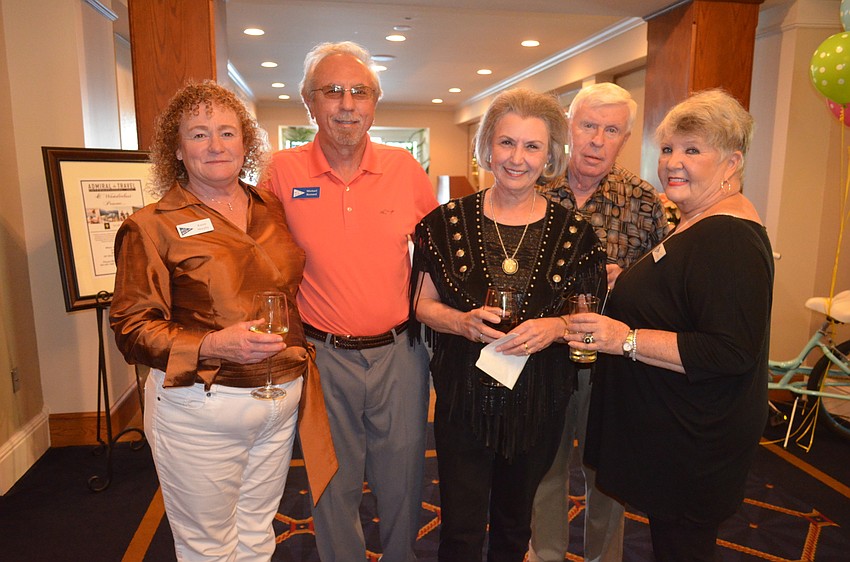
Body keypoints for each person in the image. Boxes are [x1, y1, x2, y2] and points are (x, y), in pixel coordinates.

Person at [110, 81, 336, 561]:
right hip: (202, 406)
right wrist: (212, 345)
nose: (215, 145)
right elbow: (131, 328)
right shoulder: (151, 225)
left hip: (278, 399)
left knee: (256, 533)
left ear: (245, 143)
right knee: (207, 547)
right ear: (176, 149)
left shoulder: (270, 208)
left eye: (227, 133)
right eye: (198, 134)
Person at [566, 88, 773, 561]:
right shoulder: (697, 221)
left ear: (732, 161)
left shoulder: (728, 237)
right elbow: (681, 298)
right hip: (674, 438)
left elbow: (728, 351)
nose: (673, 163)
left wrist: (626, 339)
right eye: (667, 149)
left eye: (693, 150)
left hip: (695, 444)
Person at [411, 87, 607, 562]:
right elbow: (420, 305)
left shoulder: (575, 235)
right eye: (506, 143)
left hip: (538, 403)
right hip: (463, 400)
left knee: (515, 526)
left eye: (532, 146)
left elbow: (589, 322)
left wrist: (556, 328)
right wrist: (460, 323)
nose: (517, 158)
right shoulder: (443, 222)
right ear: (486, 148)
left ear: (550, 156)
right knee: (459, 528)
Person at [262, 42, 439, 562]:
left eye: (359, 91)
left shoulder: (404, 168)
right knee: (330, 482)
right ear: (309, 104)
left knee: (403, 477)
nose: (346, 103)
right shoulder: (281, 172)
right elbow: (255, 260)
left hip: (401, 356)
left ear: (374, 105)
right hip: (321, 357)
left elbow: (442, 256)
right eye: (332, 91)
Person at [530, 82, 669, 562]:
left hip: (613, 361)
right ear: (570, 127)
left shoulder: (645, 201)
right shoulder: (534, 187)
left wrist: (626, 280)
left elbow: (669, 285)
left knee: (605, 473)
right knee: (543, 466)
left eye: (610, 130)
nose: (596, 139)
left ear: (624, 139)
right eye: (588, 125)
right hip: (543, 358)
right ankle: (545, 553)